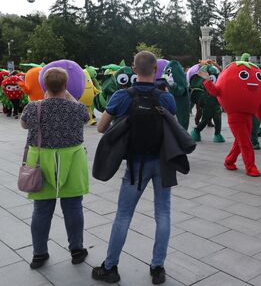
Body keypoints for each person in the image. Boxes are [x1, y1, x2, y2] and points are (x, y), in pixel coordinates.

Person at [92, 51, 177, 284]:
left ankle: (110, 267)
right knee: (163, 213)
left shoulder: (122, 95)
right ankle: (158, 267)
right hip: (162, 163)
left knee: (123, 215)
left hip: (135, 164)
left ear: (133, 69)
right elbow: (173, 126)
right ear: (156, 71)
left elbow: (101, 128)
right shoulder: (166, 98)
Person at [21, 67, 90, 269]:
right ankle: (76, 250)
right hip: (72, 161)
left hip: (41, 161)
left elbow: (24, 126)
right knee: (73, 207)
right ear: (66, 85)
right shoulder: (76, 109)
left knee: (41, 210)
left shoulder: (33, 107)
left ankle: (39, 254)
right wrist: (70, 97)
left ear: (44, 85)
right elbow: (86, 118)